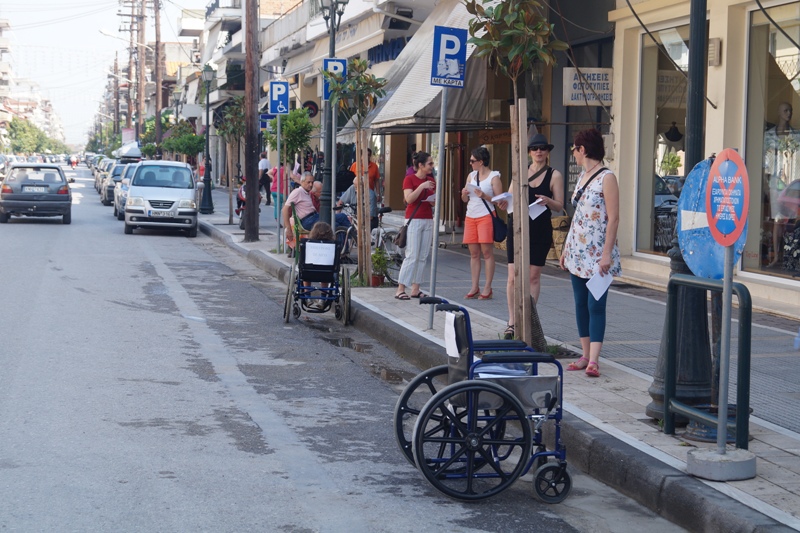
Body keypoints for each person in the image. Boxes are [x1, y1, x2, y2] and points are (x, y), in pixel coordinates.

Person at [559, 128, 621, 378]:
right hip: (577, 250)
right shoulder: (583, 176)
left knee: (596, 304)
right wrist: (565, 247)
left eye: (574, 149)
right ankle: (585, 354)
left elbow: (614, 218)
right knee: (580, 303)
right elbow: (578, 217)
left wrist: (606, 254)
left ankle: (594, 359)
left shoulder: (607, 177)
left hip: (597, 253)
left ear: (582, 150)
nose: (573, 153)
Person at [499, 133, 564, 340]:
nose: (539, 152)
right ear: (529, 152)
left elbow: (560, 206)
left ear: (547, 152)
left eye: (542, 148)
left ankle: (528, 318)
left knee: (533, 276)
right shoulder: (520, 172)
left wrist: (548, 200)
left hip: (540, 227)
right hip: (517, 226)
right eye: (535, 148)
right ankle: (512, 322)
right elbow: (509, 198)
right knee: (512, 277)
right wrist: (503, 204)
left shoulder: (555, 175)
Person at [460, 146, 504, 301]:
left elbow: (501, 201)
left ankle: (487, 287)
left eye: (473, 161)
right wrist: (464, 194)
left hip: (486, 215)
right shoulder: (471, 176)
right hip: (470, 216)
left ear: (481, 161)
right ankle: (474, 286)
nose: (470, 163)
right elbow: (465, 200)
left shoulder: (494, 177)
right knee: (473, 253)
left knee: (487, 252)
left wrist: (485, 196)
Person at [395, 152, 436, 300]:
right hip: (414, 220)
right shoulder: (409, 179)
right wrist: (422, 187)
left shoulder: (431, 180)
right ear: (421, 165)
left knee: (423, 255)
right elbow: (409, 199)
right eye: (430, 164)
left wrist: (433, 199)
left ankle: (415, 288)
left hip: (427, 219)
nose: (432, 166)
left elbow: (434, 202)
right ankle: (400, 288)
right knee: (411, 255)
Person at [764, 102, 800, 267]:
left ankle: (789, 254)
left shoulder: (796, 135)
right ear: (778, 112)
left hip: (791, 182)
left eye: (790, 110)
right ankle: (777, 256)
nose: (789, 113)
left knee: (791, 220)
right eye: (785, 110)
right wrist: (766, 184)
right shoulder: (769, 136)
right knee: (778, 220)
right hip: (775, 183)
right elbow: (765, 163)